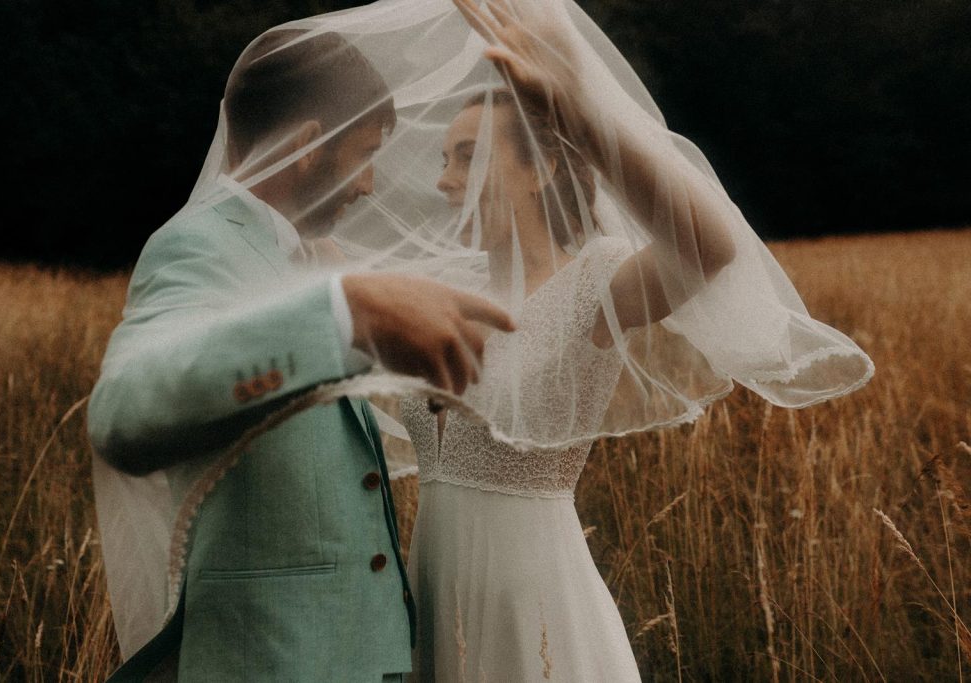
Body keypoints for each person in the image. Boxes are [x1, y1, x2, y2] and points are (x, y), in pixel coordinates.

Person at [391, 1, 874, 680]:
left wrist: (579, 108)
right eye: (444, 158)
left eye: (467, 158)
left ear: (540, 170)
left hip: (533, 600)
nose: (443, 180)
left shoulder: (596, 282)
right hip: (435, 591)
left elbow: (709, 244)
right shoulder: (444, 294)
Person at [88, 28, 514, 682]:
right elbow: (124, 409)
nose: (371, 185)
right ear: (307, 146)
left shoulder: (296, 258)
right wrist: (346, 314)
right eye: (365, 154)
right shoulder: (193, 248)